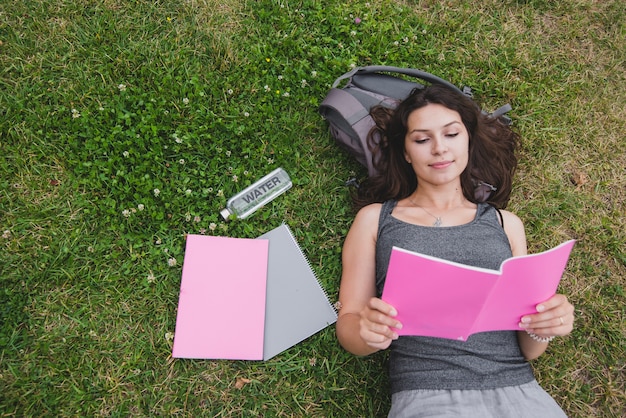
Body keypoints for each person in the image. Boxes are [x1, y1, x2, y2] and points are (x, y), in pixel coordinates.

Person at [336, 85, 575, 417]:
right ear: (406, 152)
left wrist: (545, 325)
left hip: (520, 393)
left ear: (468, 140)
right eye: (421, 140)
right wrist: (367, 333)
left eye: (451, 134)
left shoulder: (506, 224)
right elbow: (348, 325)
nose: (439, 149)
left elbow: (529, 349)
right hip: (427, 396)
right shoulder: (375, 220)